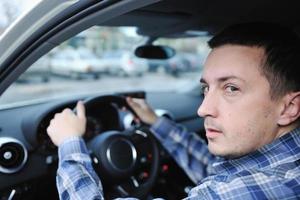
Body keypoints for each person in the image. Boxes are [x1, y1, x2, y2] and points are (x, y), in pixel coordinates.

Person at [47, 22, 300, 199]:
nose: (203, 109)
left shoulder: (230, 193)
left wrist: (70, 143)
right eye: (205, 89)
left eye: (231, 88)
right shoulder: (279, 169)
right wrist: (155, 122)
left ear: (289, 107)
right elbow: (210, 166)